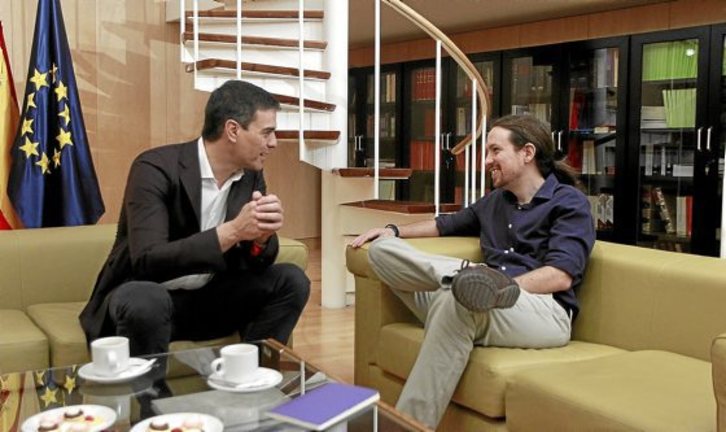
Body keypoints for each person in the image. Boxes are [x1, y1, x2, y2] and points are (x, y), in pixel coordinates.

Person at [350, 114, 595, 428]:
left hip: (542, 310)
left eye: (495, 151)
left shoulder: (568, 203)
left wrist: (498, 286)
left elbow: (559, 276)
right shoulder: (494, 202)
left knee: (460, 299)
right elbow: (444, 224)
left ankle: (406, 426)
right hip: (477, 300)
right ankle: (465, 279)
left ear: (527, 153)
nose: (487, 160)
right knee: (382, 251)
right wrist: (393, 231)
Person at [79, 80, 310, 356]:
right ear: (233, 130)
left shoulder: (251, 175)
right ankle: (149, 386)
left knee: (291, 280)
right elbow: (147, 261)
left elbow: (254, 262)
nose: (274, 143)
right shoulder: (154, 168)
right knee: (146, 300)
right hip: (146, 297)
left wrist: (261, 238)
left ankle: (251, 374)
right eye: (267, 133)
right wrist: (234, 231)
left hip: (207, 298)